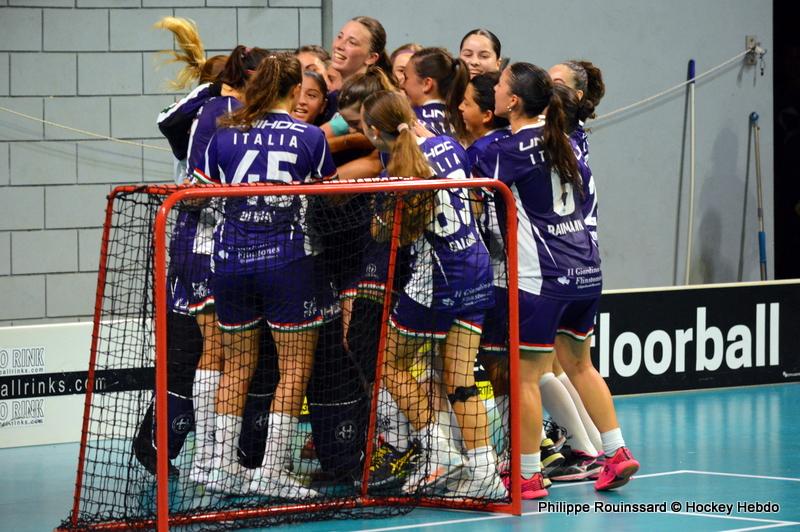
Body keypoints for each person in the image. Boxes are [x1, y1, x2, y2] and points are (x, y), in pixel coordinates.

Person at [474, 62, 638, 499]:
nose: (494, 90)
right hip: (586, 272)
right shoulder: (564, 140)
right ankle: (616, 451)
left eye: (500, 85)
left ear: (513, 101)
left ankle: (527, 474)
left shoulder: (503, 151)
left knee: (525, 377)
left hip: (540, 280)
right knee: (581, 365)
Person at [195, 52, 337, 498]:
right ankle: (272, 470)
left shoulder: (224, 133)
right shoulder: (310, 136)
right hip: (287, 263)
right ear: (295, 90)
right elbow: (328, 194)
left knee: (236, 365)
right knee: (293, 368)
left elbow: (199, 193)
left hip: (231, 262)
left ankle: (222, 467)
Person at [361, 90, 506, 499]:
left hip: (437, 277)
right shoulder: (450, 146)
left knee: (390, 364)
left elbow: (391, 235)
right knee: (460, 379)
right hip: (476, 264)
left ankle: (439, 452)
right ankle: (486, 474)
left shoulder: (394, 175)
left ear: (374, 133)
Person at [402, 47, 469, 139]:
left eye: (406, 78)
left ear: (427, 84)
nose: (401, 85)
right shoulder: (463, 121)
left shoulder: (410, 121)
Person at [549, 60, 605, 162]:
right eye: (546, 83)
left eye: (557, 84)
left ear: (577, 95)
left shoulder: (574, 139)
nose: (547, 90)